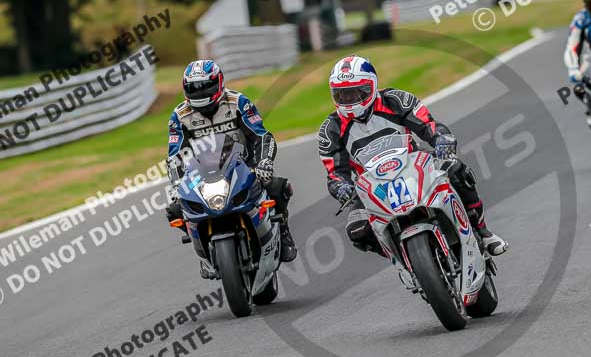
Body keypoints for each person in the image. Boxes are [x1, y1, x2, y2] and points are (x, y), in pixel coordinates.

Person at [317, 55, 508, 257]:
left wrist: (441, 139)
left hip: (414, 165)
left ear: (371, 86)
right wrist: (341, 187)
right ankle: (401, 258)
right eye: (342, 95)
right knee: (357, 229)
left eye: (356, 92)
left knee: (456, 169)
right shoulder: (330, 129)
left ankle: (483, 232)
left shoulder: (395, 100)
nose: (350, 100)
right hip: (370, 187)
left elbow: (428, 125)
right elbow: (335, 172)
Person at [165, 60, 297, 277]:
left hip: (243, 166)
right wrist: (178, 184)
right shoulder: (179, 116)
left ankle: (283, 231)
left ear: (219, 83)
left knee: (277, 187)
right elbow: (175, 155)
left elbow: (261, 136)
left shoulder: (238, 102)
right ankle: (204, 251)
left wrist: (264, 163)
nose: (200, 93)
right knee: (175, 210)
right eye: (193, 88)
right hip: (202, 174)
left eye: (205, 86)